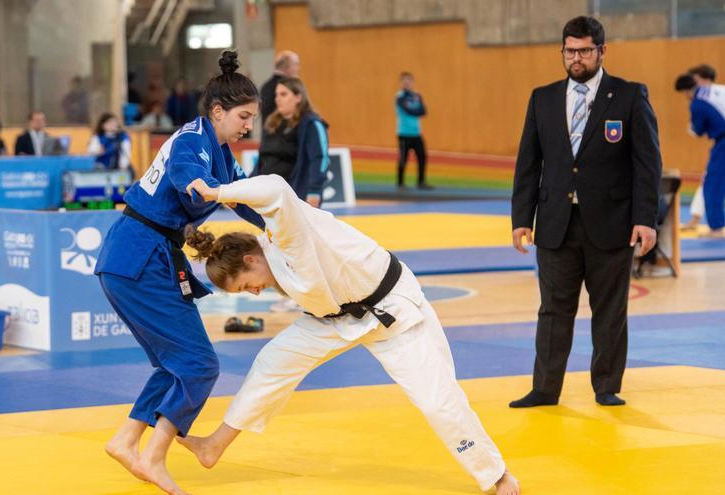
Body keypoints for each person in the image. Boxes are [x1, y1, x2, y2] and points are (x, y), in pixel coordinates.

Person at [180, 174, 520, 495]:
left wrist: (219, 193)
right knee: (272, 361)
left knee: (437, 401)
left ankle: (496, 473)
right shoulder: (273, 257)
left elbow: (275, 187)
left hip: (392, 309)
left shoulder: (287, 234)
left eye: (246, 286)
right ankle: (214, 445)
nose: (253, 293)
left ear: (252, 259)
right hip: (336, 318)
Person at [93, 50, 265, 495]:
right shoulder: (191, 142)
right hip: (139, 255)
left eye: (252, 117)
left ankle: (126, 442)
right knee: (199, 364)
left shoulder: (222, 153)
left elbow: (245, 198)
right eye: (243, 116)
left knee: (175, 365)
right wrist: (203, 186)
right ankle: (154, 456)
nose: (248, 125)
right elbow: (189, 178)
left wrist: (288, 222)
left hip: (136, 256)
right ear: (218, 111)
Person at [510, 16, 661, 408]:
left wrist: (645, 218)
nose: (576, 58)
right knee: (552, 310)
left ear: (601, 51)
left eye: (584, 51)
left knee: (610, 310)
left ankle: (606, 386)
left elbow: (647, 163)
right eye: (569, 51)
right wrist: (521, 219)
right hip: (556, 223)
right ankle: (545, 388)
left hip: (612, 223)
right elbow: (528, 163)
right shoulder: (542, 98)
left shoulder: (629, 95)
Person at [257, 77, 328, 207]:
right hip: (268, 193)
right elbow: (262, 159)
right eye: (276, 95)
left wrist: (314, 191)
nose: (277, 99)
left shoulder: (312, 124)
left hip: (297, 194)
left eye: (283, 94)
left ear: (298, 97)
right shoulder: (271, 124)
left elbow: (319, 159)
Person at [675, 73, 725, 238]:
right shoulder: (718, 89)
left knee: (713, 184)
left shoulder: (697, 104)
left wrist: (693, 128)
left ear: (686, 91)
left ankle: (717, 228)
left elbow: (698, 130)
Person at [395, 72, 430, 189]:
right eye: (404, 81)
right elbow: (408, 110)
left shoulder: (417, 95)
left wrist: (415, 109)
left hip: (416, 133)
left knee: (422, 156)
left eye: (409, 81)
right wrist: (416, 109)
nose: (407, 83)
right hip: (404, 133)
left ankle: (421, 182)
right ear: (401, 83)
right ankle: (400, 183)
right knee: (403, 158)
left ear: (412, 82)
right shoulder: (399, 96)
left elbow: (424, 111)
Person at [259, 50, 300, 126]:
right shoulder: (287, 87)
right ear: (288, 67)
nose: (298, 68)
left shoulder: (265, 86)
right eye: (296, 64)